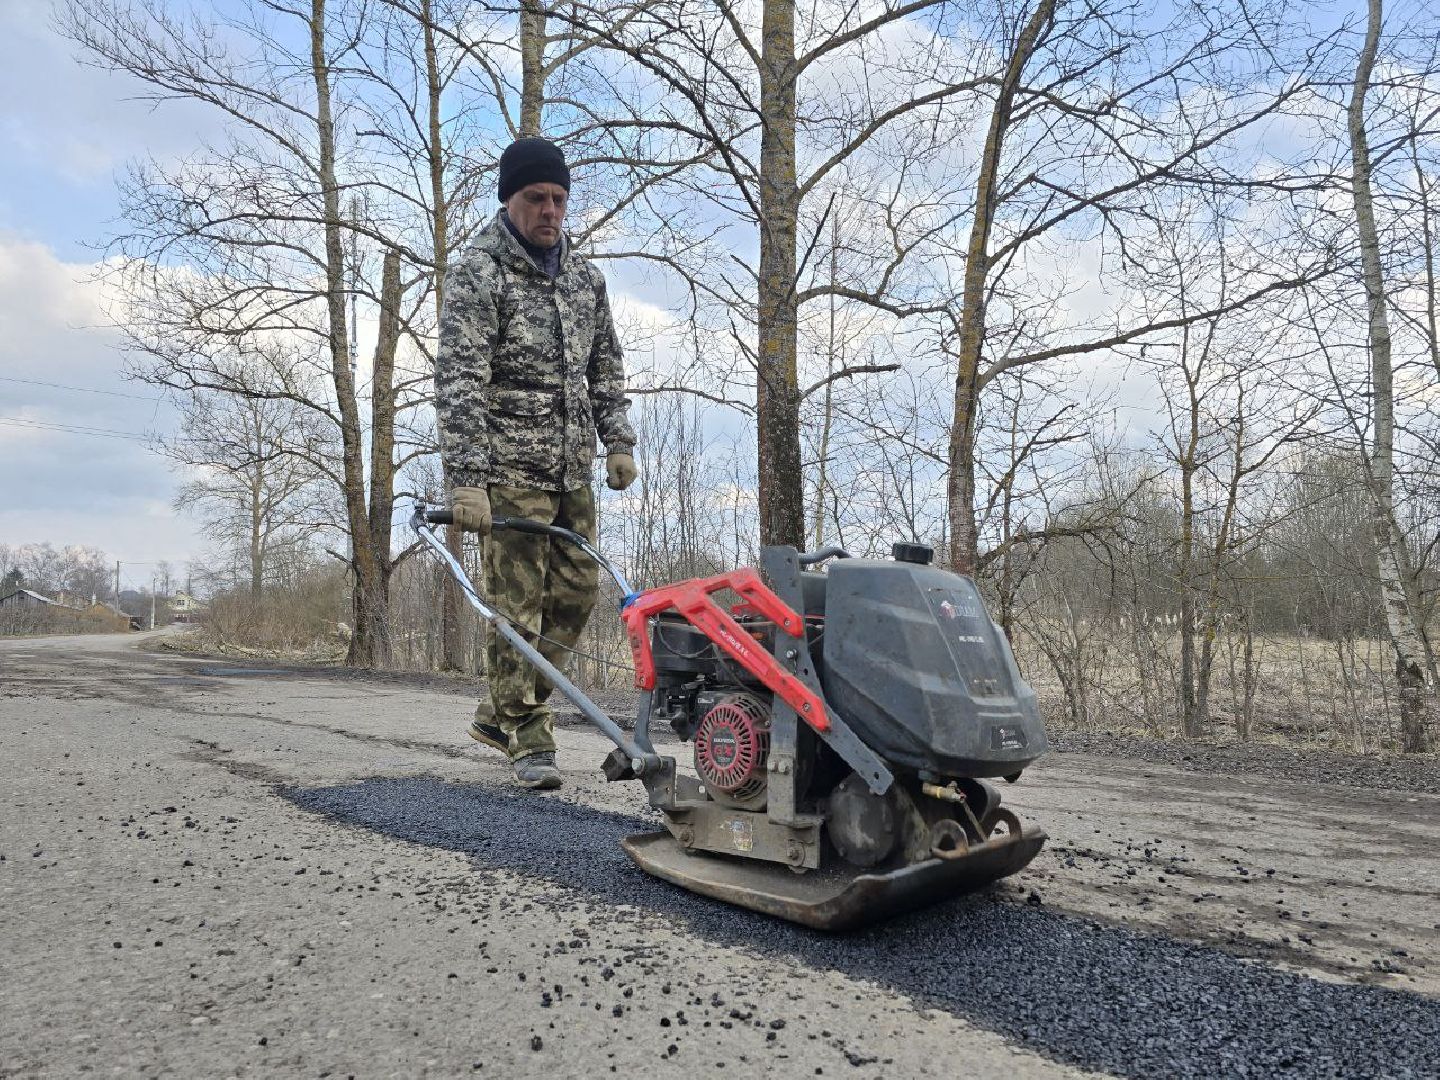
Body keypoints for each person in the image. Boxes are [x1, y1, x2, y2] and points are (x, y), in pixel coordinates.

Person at [435, 136, 638, 790]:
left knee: (577, 596)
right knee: (517, 606)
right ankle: (527, 732)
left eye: (558, 198)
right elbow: (460, 378)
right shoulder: (479, 273)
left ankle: (501, 708)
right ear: (510, 199)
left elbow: (605, 366)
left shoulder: (585, 280)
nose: (550, 210)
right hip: (509, 471)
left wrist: (620, 440)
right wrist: (467, 480)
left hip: (571, 466)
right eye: (536, 198)